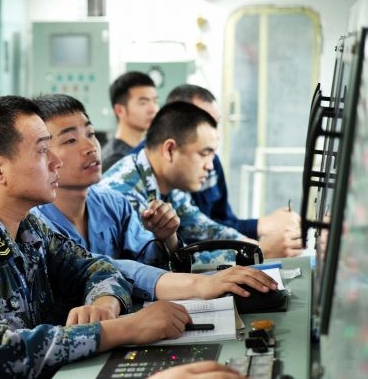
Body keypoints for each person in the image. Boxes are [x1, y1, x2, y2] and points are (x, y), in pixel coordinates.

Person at [0, 96, 195, 378]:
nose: (56, 162)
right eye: (43, 150)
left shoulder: (29, 227)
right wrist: (123, 329)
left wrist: (104, 301)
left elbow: (96, 267)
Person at [32, 94, 277, 301]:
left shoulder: (112, 204)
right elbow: (99, 268)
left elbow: (154, 261)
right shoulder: (34, 224)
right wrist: (199, 284)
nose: (90, 147)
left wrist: (167, 237)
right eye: (70, 140)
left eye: (91, 133)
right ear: (42, 153)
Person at [99, 102, 252, 266]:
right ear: (170, 150)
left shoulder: (164, 181)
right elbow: (160, 268)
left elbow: (202, 227)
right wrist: (246, 256)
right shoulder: (125, 196)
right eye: (204, 154)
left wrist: (250, 246)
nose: (210, 166)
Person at [166, 84, 303, 258]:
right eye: (206, 123)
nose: (215, 134)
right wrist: (260, 247)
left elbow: (207, 227)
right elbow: (175, 257)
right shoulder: (137, 186)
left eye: (216, 123)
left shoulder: (211, 162)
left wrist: (258, 245)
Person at [101, 71, 158, 171]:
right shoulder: (115, 160)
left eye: (154, 101)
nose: (153, 109)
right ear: (120, 110)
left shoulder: (143, 150)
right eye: (143, 103)